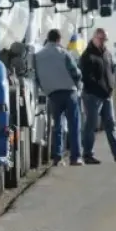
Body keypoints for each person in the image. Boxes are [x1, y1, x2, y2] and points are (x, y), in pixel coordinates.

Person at [79, 29, 116, 164]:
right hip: (93, 95)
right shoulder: (88, 56)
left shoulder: (107, 54)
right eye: (100, 39)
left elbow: (111, 71)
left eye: (104, 40)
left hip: (106, 95)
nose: (103, 42)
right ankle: (87, 154)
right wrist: (99, 88)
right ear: (94, 38)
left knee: (111, 124)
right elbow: (87, 77)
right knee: (91, 125)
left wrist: (111, 86)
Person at [33, 29, 83, 166]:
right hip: (69, 92)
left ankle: (58, 157)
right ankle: (75, 157)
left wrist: (45, 88)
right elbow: (75, 72)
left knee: (57, 126)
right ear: (59, 39)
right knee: (74, 125)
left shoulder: (38, 55)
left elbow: (37, 77)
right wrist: (78, 85)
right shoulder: (63, 53)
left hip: (53, 94)